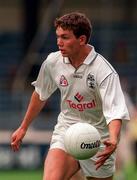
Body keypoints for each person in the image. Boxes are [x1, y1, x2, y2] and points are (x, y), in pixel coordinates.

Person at [11, 12, 130, 180]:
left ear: (81, 39)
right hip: (67, 131)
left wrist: (112, 138)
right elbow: (40, 94)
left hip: (99, 139)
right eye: (58, 36)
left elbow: (115, 111)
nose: (59, 42)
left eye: (65, 37)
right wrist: (23, 127)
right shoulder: (53, 62)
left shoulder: (104, 71)